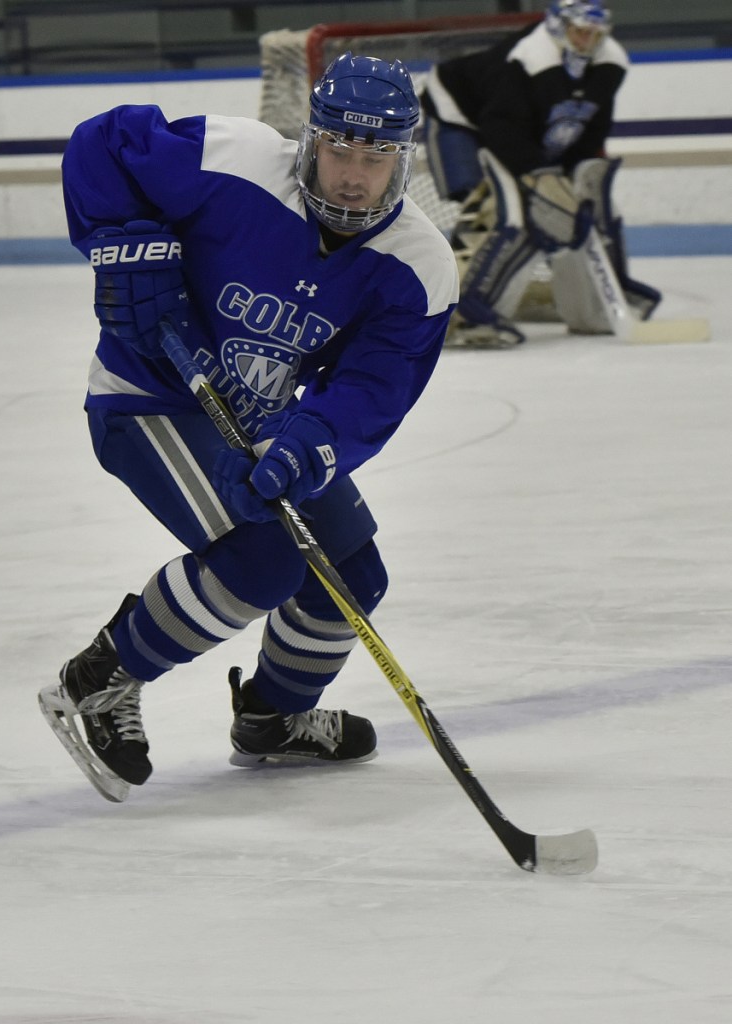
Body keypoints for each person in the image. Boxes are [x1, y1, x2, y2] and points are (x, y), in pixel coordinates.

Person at [38, 52, 459, 798]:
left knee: (350, 575)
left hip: (261, 419)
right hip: (146, 398)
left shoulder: (418, 264)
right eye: (339, 150)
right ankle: (100, 679)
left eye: (377, 155)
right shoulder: (234, 160)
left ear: (404, 158)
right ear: (312, 142)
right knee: (266, 563)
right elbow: (102, 142)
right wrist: (121, 243)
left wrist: (306, 447)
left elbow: (371, 392)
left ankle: (274, 719)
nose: (354, 175)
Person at [419, 0, 661, 347]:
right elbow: (500, 126)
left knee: (578, 211)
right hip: (462, 114)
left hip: (517, 130)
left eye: (595, 34)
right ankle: (459, 310)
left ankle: (593, 310)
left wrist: (579, 170)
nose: (586, 41)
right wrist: (538, 176)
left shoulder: (610, 63)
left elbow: (589, 125)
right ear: (558, 26)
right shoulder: (527, 58)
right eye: (579, 32)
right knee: (503, 208)